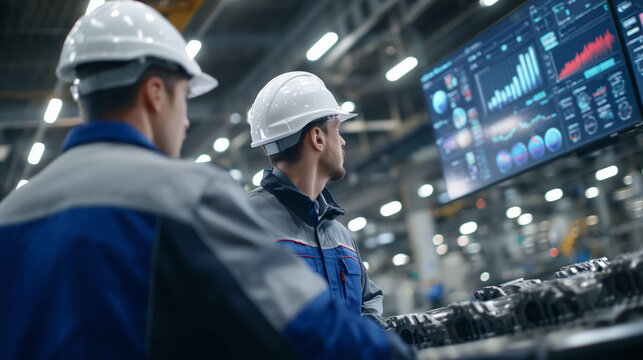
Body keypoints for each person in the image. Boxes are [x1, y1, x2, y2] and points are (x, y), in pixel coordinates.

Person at [0, 2, 413, 359]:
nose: (185, 121)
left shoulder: (9, 215)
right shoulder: (185, 197)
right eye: (184, 99)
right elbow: (311, 331)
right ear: (155, 93)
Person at [247, 71, 386, 326]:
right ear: (317, 138)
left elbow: (369, 302)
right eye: (337, 130)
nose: (342, 142)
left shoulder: (341, 237)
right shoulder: (244, 223)